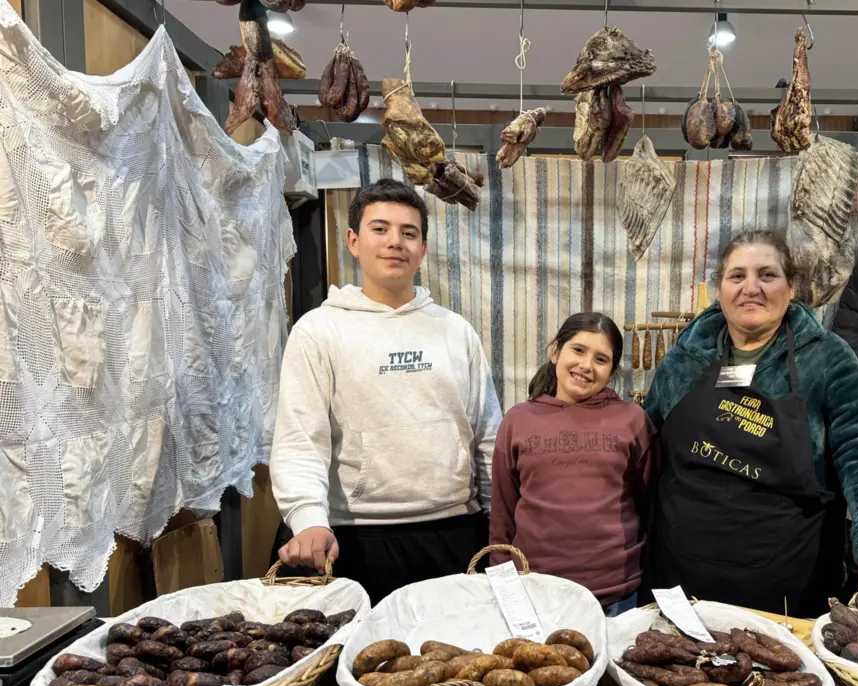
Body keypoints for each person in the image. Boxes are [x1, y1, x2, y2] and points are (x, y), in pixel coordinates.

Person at [642, 229, 858, 622]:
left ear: (791, 288)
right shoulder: (684, 360)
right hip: (680, 582)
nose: (750, 288)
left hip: (786, 591)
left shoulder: (827, 359)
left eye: (766, 275)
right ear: (717, 291)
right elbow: (646, 454)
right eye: (737, 276)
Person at [271, 179, 502, 603]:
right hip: (353, 538)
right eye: (380, 229)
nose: (395, 242)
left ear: (423, 249)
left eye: (409, 232)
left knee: (457, 664)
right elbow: (300, 440)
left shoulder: (456, 332)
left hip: (453, 534)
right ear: (354, 241)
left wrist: (498, 524)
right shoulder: (319, 330)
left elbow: (487, 435)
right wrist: (307, 520)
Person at [489, 313, 657, 617]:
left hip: (613, 595)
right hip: (534, 590)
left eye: (601, 359)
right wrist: (502, 582)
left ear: (611, 371)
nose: (586, 366)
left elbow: (648, 505)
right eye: (578, 350)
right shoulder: (517, 420)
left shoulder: (633, 420)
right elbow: (503, 512)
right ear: (555, 351)